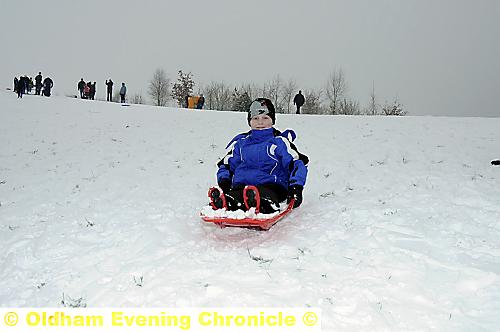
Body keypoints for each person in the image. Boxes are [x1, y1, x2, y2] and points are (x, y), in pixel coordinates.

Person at [209, 98, 309, 214]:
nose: (260, 122)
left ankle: (259, 203)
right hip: (243, 186)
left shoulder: (279, 142)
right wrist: (224, 181)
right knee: (236, 195)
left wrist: (296, 186)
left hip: (272, 186)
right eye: (255, 118)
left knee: (262, 195)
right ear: (249, 121)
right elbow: (226, 165)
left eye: (265, 118)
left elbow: (297, 163)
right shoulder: (241, 143)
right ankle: (226, 202)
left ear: (272, 120)